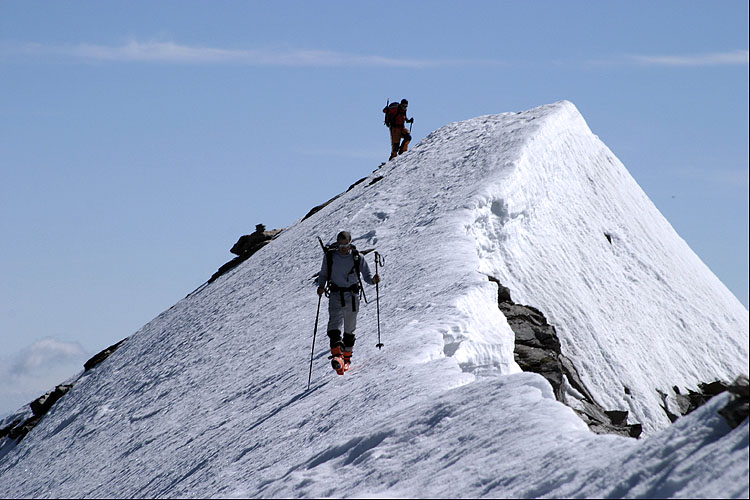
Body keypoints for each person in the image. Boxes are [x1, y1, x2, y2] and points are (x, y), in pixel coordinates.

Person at [317, 231, 380, 373]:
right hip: (335, 294)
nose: (343, 247)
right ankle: (337, 356)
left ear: (350, 242)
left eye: (345, 244)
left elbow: (367, 277)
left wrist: (374, 280)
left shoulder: (358, 258)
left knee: (349, 329)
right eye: (340, 244)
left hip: (352, 296)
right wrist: (321, 286)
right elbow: (324, 274)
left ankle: (346, 359)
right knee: (333, 326)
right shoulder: (330, 257)